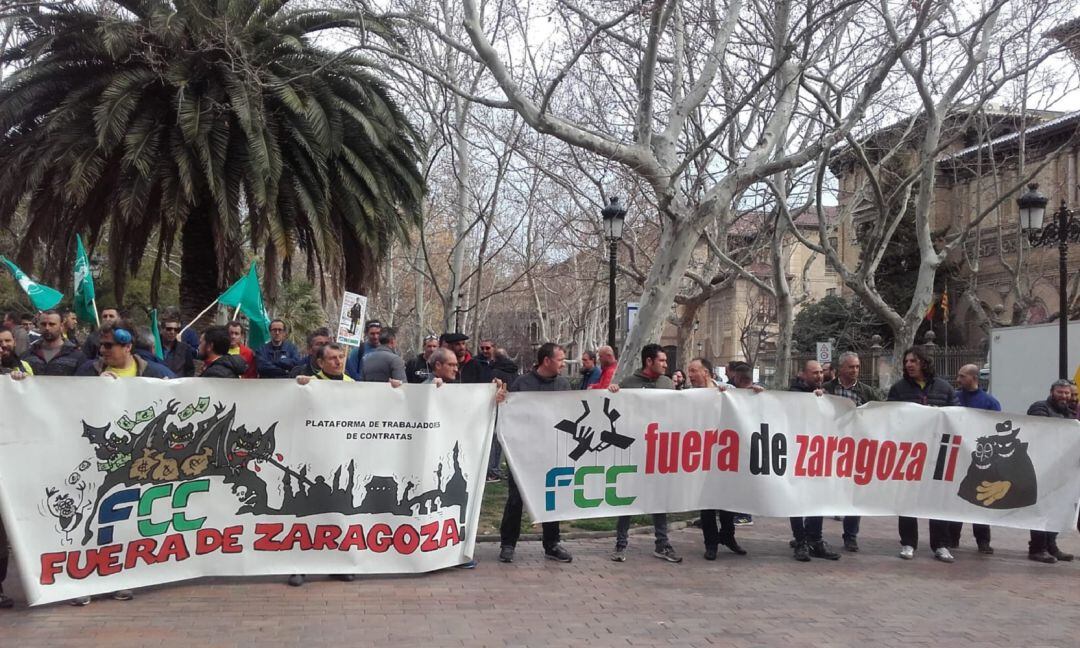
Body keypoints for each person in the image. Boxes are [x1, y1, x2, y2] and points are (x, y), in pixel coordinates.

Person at [497, 343, 574, 565]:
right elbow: (511, 415)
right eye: (560, 359)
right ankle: (508, 544)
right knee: (516, 499)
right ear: (547, 361)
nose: (563, 363)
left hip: (551, 452)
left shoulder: (563, 384)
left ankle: (552, 544)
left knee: (551, 497)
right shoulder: (522, 384)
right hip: (523, 453)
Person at [607, 344, 682, 563]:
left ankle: (662, 543)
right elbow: (615, 410)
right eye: (662, 361)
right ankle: (620, 545)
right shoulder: (629, 383)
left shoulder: (667, 384)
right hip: (634, 450)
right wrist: (613, 393)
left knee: (659, 499)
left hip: (658, 450)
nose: (666, 365)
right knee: (627, 499)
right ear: (648, 361)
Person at [887, 346, 958, 563]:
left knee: (938, 500)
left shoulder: (944, 388)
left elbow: (956, 417)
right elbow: (891, 417)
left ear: (924, 363)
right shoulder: (898, 389)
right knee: (908, 499)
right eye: (907, 361)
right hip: (910, 454)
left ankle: (941, 545)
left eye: (913, 361)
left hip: (938, 454)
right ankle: (908, 543)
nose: (909, 364)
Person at [822, 352, 883, 552]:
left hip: (856, 450)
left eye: (857, 367)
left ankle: (851, 536)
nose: (855, 370)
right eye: (851, 367)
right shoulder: (827, 390)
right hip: (830, 448)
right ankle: (815, 535)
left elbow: (881, 412)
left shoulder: (867, 392)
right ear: (840, 369)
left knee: (853, 494)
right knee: (823, 490)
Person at [688, 357, 747, 559]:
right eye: (689, 371)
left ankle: (728, 536)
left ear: (706, 372)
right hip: (702, 454)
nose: (690, 375)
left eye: (694, 370)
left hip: (725, 452)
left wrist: (757, 391)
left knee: (727, 499)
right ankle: (711, 543)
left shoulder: (726, 389)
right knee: (707, 501)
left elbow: (747, 401)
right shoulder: (687, 395)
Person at [787, 360, 840, 562]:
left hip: (818, 454)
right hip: (797, 454)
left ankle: (815, 539)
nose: (819, 376)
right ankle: (800, 541)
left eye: (821, 372)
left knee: (817, 498)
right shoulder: (795, 393)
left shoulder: (825, 393)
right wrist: (811, 400)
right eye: (815, 373)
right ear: (803, 374)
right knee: (797, 501)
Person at [1025, 379, 1076, 564]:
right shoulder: (1040, 407)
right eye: (1060, 392)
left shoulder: (1070, 415)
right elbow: (1039, 429)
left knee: (1056, 509)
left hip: (1061, 470)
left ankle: (1051, 545)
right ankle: (1037, 547)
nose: (1064, 396)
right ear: (1052, 392)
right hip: (1042, 467)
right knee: (1041, 509)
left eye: (1067, 393)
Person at [950, 363, 998, 555]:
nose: (958, 380)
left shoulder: (990, 402)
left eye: (962, 376)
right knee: (955, 498)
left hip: (981, 458)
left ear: (973, 378)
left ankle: (983, 541)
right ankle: (953, 537)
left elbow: (995, 429)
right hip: (958, 455)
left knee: (980, 499)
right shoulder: (954, 398)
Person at [76, 326, 171, 378]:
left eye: (108, 345)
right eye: (101, 345)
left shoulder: (157, 373)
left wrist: (166, 390)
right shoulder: (88, 371)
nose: (102, 350)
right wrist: (95, 386)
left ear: (128, 347)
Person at [486, 348, 519, 482]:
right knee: (502, 438)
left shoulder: (495, 371)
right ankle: (498, 468)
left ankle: (493, 469)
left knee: (494, 438)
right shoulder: (515, 372)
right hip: (510, 406)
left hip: (497, 405)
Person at [22, 310, 86, 376]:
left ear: (61, 326)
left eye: (52, 324)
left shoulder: (76, 356)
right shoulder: (28, 355)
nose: (47, 328)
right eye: (43, 324)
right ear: (38, 325)